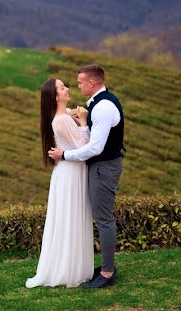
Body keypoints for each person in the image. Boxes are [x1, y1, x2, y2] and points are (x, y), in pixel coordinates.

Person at [48, 64, 124, 288]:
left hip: (103, 167)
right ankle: (105, 267)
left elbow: (95, 148)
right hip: (101, 167)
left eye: (80, 81)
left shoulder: (103, 108)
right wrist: (82, 117)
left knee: (104, 219)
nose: (77, 85)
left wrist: (65, 154)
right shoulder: (98, 106)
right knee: (102, 217)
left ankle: (108, 272)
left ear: (92, 83)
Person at [25, 78, 94, 288]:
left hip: (69, 171)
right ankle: (69, 269)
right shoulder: (61, 120)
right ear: (55, 97)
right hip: (72, 171)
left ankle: (70, 266)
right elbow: (83, 147)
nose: (67, 89)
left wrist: (75, 115)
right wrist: (83, 121)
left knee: (69, 217)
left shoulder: (62, 117)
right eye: (63, 87)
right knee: (72, 217)